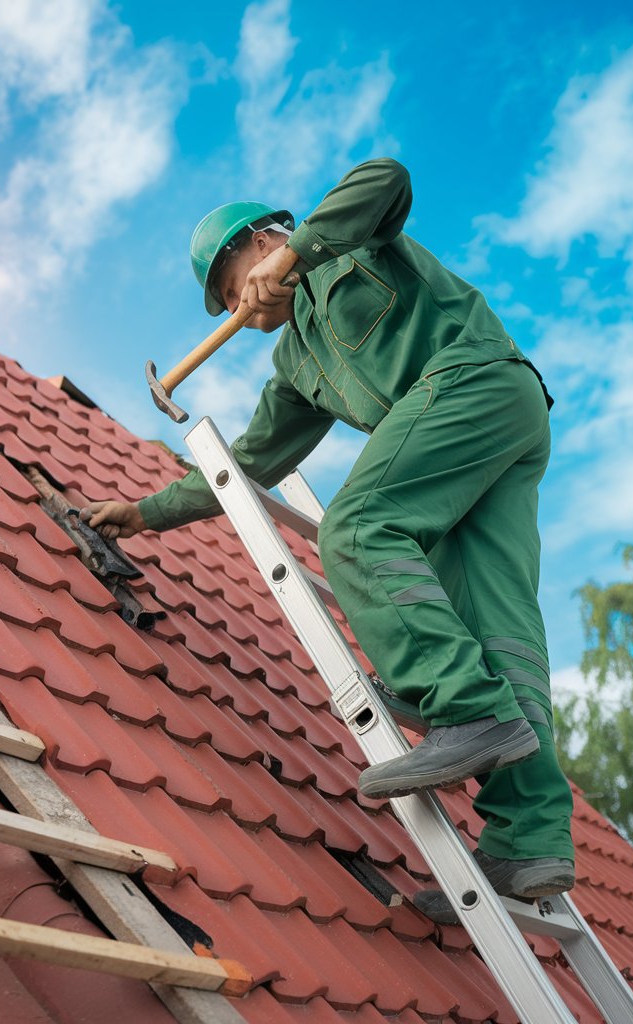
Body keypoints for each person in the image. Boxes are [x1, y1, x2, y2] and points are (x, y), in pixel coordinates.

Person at [82, 159, 575, 918]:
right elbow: (249, 462)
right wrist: (145, 511)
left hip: (478, 383)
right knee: (497, 625)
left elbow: (389, 176)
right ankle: (529, 841)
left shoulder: (352, 244)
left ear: (260, 240)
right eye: (222, 305)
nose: (235, 309)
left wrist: (294, 255)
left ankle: (459, 704)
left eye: (229, 286)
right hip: (479, 441)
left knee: (357, 527)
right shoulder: (294, 365)